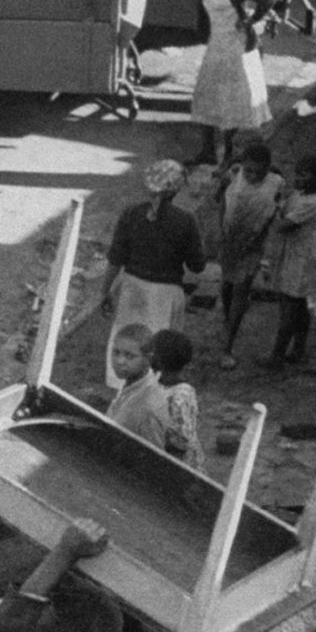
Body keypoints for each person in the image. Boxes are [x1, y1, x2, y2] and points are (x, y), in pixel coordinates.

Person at [101, 160, 205, 390]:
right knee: (159, 347)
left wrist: (105, 292)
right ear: (176, 189)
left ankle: (122, 389)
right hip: (165, 295)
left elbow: (115, 259)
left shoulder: (131, 214)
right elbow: (197, 265)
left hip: (132, 289)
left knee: (128, 342)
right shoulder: (185, 221)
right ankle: (152, 392)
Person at [190, 0, 279, 164]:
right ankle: (208, 152)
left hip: (237, 47)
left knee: (234, 102)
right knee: (207, 97)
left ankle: (229, 154)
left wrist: (250, 20)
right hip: (217, 45)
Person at [218, 140, 284, 354]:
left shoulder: (276, 183)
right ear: (242, 165)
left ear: (268, 168)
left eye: (260, 172)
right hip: (229, 241)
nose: (254, 176)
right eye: (249, 171)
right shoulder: (233, 175)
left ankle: (227, 347)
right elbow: (218, 200)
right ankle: (229, 319)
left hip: (253, 246)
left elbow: (276, 210)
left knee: (240, 290)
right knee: (227, 286)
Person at [265, 154, 316, 364]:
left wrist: (271, 208)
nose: (298, 178)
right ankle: (298, 350)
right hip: (297, 255)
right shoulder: (300, 194)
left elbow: (283, 226)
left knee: (289, 307)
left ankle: (277, 356)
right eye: (298, 174)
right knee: (300, 307)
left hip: (299, 260)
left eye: (304, 175)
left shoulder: (313, 203)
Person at [105, 324, 170, 452]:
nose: (119, 361)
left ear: (148, 359)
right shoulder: (130, 385)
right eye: (116, 352)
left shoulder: (149, 409)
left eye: (129, 356)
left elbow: (153, 459)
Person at [152, 330, 206, 471]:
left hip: (180, 466)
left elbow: (182, 441)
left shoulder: (180, 396)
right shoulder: (157, 384)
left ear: (160, 360)